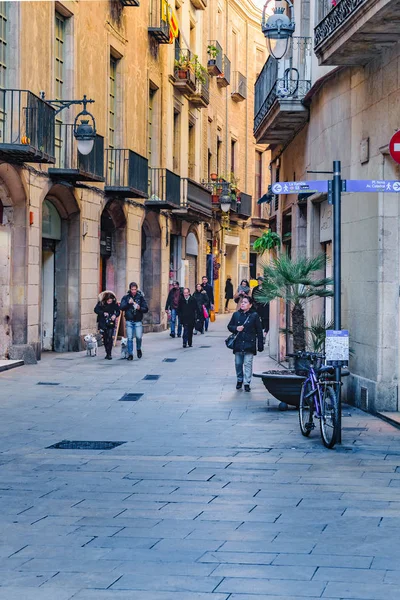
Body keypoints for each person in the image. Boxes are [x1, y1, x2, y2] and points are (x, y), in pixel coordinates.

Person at [227, 296, 264, 392]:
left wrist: (260, 344)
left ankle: (247, 382)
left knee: (248, 363)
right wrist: (236, 328)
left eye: (245, 302)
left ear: (250, 305)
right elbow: (229, 326)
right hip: (238, 343)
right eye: (242, 302)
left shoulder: (254, 315)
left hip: (249, 343)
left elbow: (259, 331)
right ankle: (239, 379)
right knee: (238, 363)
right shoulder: (236, 315)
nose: (242, 304)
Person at [120, 282, 149, 360]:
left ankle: (138, 349)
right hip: (129, 320)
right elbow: (121, 307)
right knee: (130, 338)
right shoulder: (126, 297)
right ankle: (130, 354)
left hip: (138, 321)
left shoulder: (140, 297)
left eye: (135, 289)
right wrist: (127, 303)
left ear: (137, 289)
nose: (133, 291)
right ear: (130, 289)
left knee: (139, 337)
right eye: (132, 289)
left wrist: (139, 308)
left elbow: (146, 309)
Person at [94, 291, 120, 360]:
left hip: (111, 322)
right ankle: (107, 351)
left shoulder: (114, 303)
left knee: (110, 336)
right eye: (108, 301)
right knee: (105, 337)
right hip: (103, 322)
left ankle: (109, 353)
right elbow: (96, 310)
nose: (109, 302)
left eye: (110, 301)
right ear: (105, 300)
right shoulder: (101, 303)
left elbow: (118, 311)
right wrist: (103, 313)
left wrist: (115, 315)